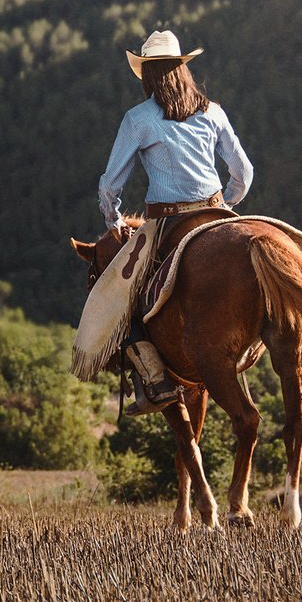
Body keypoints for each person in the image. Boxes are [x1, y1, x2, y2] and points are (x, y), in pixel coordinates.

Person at [98, 30, 253, 415]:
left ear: (147, 74)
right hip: (217, 212)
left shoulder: (138, 119)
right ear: (182, 68)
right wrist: (226, 204)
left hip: (168, 222)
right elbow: (244, 172)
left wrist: (114, 218)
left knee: (123, 297)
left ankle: (155, 380)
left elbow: (110, 183)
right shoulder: (213, 110)